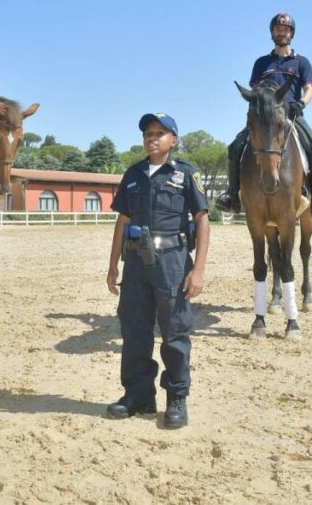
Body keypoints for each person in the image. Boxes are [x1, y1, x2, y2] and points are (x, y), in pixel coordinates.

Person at [106, 113, 210, 429]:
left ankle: (177, 397)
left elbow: (203, 219)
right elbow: (122, 220)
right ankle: (138, 395)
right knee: (134, 330)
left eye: (160, 133)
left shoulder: (185, 174)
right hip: (135, 261)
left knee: (174, 330)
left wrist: (199, 271)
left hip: (173, 262)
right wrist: (113, 264)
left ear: (173, 140)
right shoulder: (133, 173)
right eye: (148, 133)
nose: (152, 138)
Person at [216, 13, 312, 216]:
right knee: (234, 147)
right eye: (278, 29)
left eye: (286, 29)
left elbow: (309, 89)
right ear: (272, 32)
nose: (282, 32)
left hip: (291, 115)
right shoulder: (261, 63)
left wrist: (301, 103)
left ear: (292, 33)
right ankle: (232, 197)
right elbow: (255, 91)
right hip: (264, 119)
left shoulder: (302, 62)